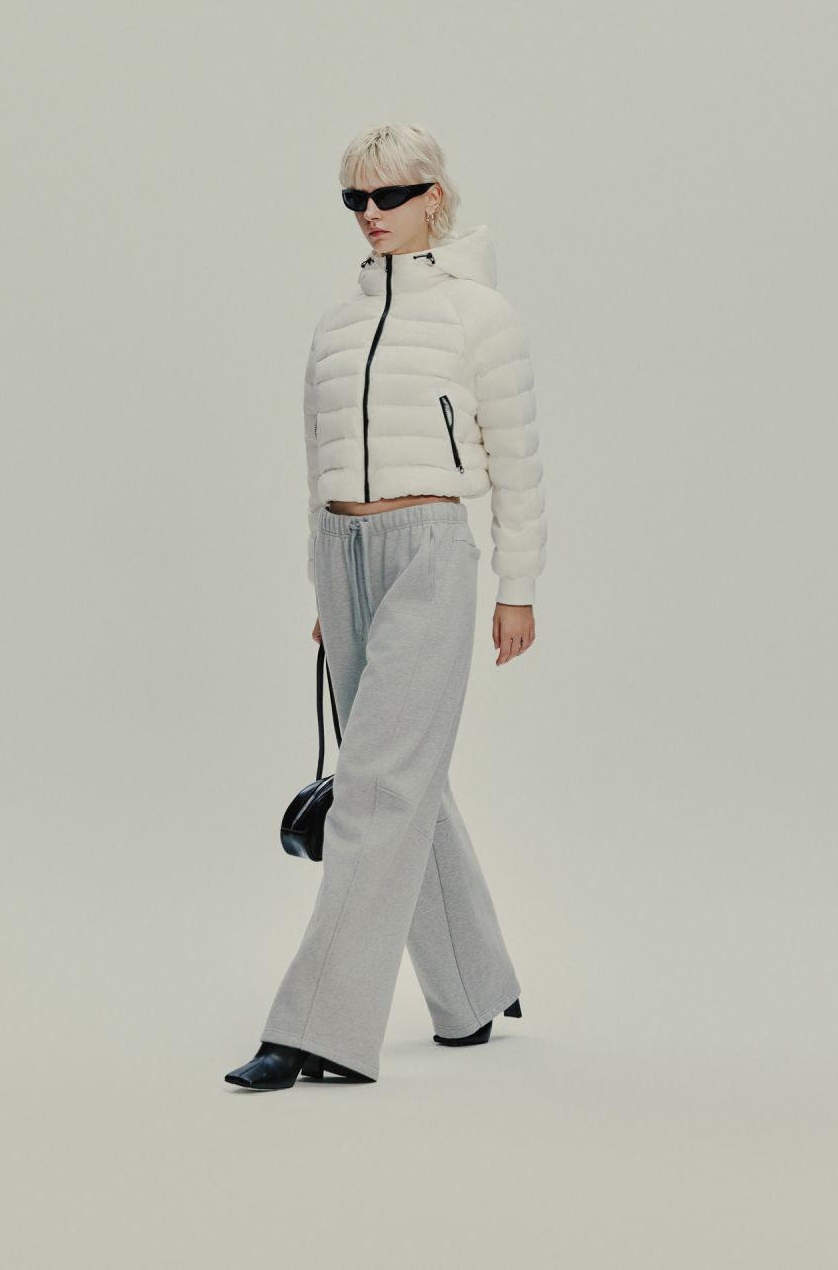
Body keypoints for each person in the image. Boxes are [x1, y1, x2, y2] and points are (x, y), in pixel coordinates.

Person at [225, 122, 546, 1091]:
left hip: (429, 551)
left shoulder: (480, 316)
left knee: (376, 785)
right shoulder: (336, 326)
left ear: (433, 197)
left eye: (389, 196)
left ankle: (316, 1027)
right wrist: (318, 585)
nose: (370, 214)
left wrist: (517, 587)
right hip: (342, 555)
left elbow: (517, 460)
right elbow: (315, 462)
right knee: (405, 780)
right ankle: (473, 989)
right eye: (354, 200)